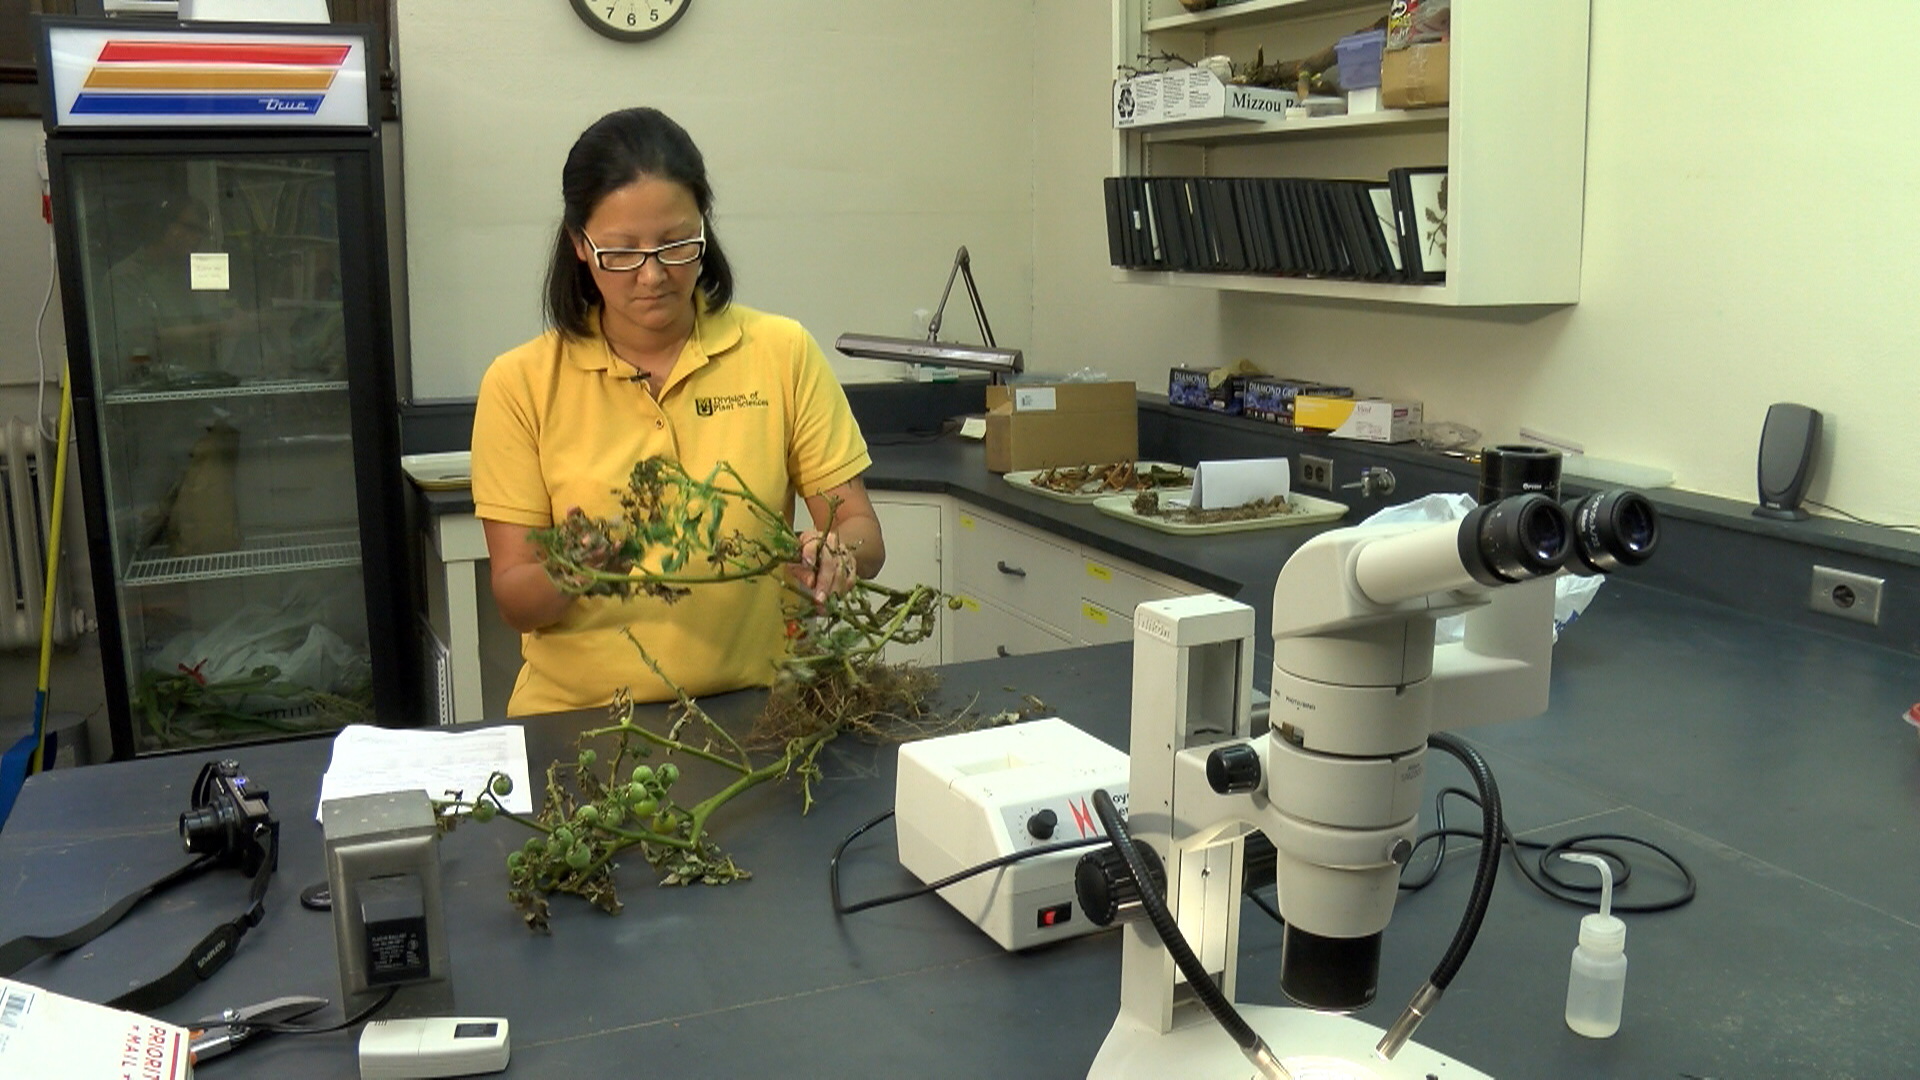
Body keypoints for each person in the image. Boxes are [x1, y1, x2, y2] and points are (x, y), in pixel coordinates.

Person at [471, 107, 885, 717]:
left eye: (676, 244)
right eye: (621, 252)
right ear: (579, 247)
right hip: (579, 722)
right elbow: (515, 597)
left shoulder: (780, 352)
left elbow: (861, 532)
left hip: (759, 711)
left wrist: (835, 555)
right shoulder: (522, 383)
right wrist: (578, 566)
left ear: (704, 231)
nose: (653, 275)